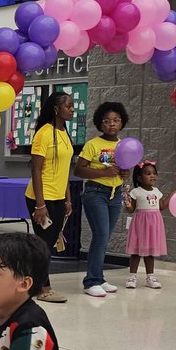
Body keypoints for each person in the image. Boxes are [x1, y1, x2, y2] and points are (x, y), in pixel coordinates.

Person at [74, 102, 129, 298]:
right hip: (95, 192)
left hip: (115, 193)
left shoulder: (123, 145)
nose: (111, 125)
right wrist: (103, 172)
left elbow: (125, 168)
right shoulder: (93, 145)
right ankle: (91, 281)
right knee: (100, 235)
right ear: (100, 124)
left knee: (105, 237)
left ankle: (100, 277)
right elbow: (79, 170)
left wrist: (124, 173)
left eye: (115, 121)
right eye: (106, 121)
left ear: (122, 122)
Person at [24, 91, 74, 303]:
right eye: (68, 106)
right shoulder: (44, 133)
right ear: (56, 109)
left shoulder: (64, 133)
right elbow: (36, 170)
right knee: (43, 245)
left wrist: (68, 199)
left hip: (58, 196)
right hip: (41, 197)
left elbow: (65, 169)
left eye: (72, 106)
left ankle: (30, 281)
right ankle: (43, 288)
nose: (72, 109)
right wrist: (40, 204)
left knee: (48, 242)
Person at [124, 161, 169, 289]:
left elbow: (162, 206)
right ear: (139, 177)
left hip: (154, 224)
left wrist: (173, 195)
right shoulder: (136, 192)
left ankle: (150, 277)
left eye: (154, 173)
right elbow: (130, 209)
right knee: (136, 251)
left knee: (150, 251)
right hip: (140, 223)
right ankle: (132, 276)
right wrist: (127, 202)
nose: (152, 176)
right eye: (148, 173)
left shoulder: (157, 191)